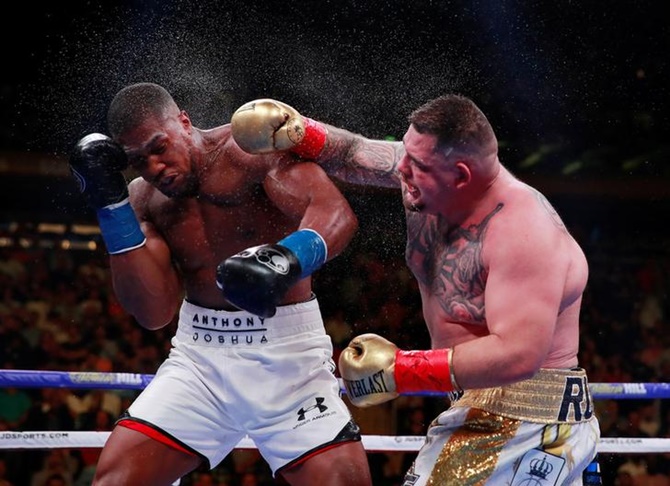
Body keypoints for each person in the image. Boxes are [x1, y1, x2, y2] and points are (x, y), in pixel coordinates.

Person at [231, 95, 602, 485]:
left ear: (460, 175)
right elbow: (355, 152)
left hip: (525, 419)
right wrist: (300, 132)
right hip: (487, 409)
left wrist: (399, 371)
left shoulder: (523, 232)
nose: (401, 168)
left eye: (417, 165)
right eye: (406, 153)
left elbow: (519, 353)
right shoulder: (427, 179)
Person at [67, 83, 372, 486]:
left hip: (287, 358)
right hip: (200, 362)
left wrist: (286, 257)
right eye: (138, 160)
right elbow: (154, 313)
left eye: (159, 147)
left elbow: (335, 212)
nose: (154, 167)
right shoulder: (142, 200)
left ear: (184, 122)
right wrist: (112, 211)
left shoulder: (248, 151)